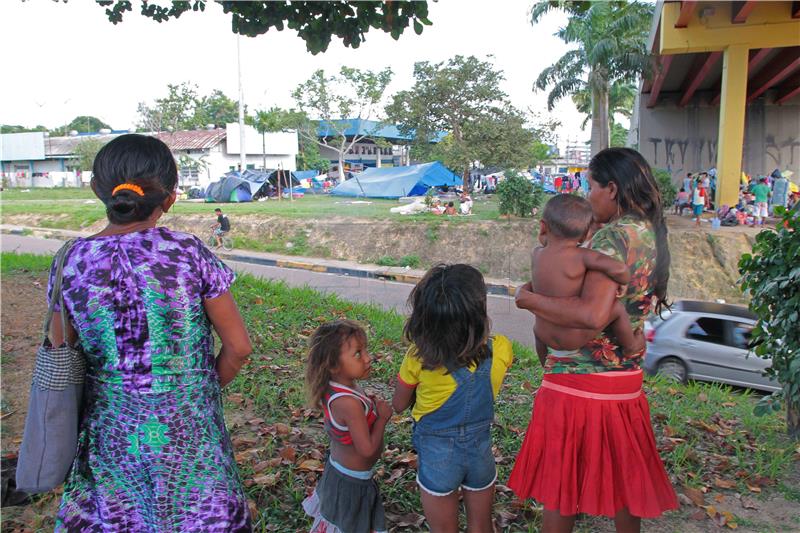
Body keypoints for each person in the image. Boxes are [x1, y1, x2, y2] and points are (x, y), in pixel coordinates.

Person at [50, 134, 253, 530]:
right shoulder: (189, 253)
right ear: (171, 197)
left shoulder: (69, 262)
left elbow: (61, 350)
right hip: (189, 427)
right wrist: (196, 390)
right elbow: (239, 347)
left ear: (97, 190)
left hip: (110, 432)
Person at [509, 147, 678, 532]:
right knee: (625, 486)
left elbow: (592, 315)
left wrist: (528, 298)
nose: (588, 196)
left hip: (581, 379)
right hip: (625, 380)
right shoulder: (649, 233)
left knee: (562, 488)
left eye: (591, 186)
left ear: (612, 189)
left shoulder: (612, 239)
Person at [392, 264, 514, 533]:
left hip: (438, 457)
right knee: (481, 527)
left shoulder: (417, 356)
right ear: (478, 312)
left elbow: (399, 404)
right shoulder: (502, 348)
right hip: (480, 452)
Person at [530, 194, 643, 367]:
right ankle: (630, 346)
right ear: (584, 237)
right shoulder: (582, 257)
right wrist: (623, 280)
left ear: (543, 227)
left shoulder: (537, 254)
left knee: (537, 329)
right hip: (573, 338)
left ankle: (546, 366)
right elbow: (620, 269)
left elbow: (547, 242)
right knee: (617, 308)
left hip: (543, 334)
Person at [302, 320, 392, 533]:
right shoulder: (348, 403)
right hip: (351, 484)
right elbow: (368, 450)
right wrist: (381, 419)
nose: (369, 358)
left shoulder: (342, 387)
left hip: (342, 473)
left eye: (366, 350)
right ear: (333, 365)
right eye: (359, 354)